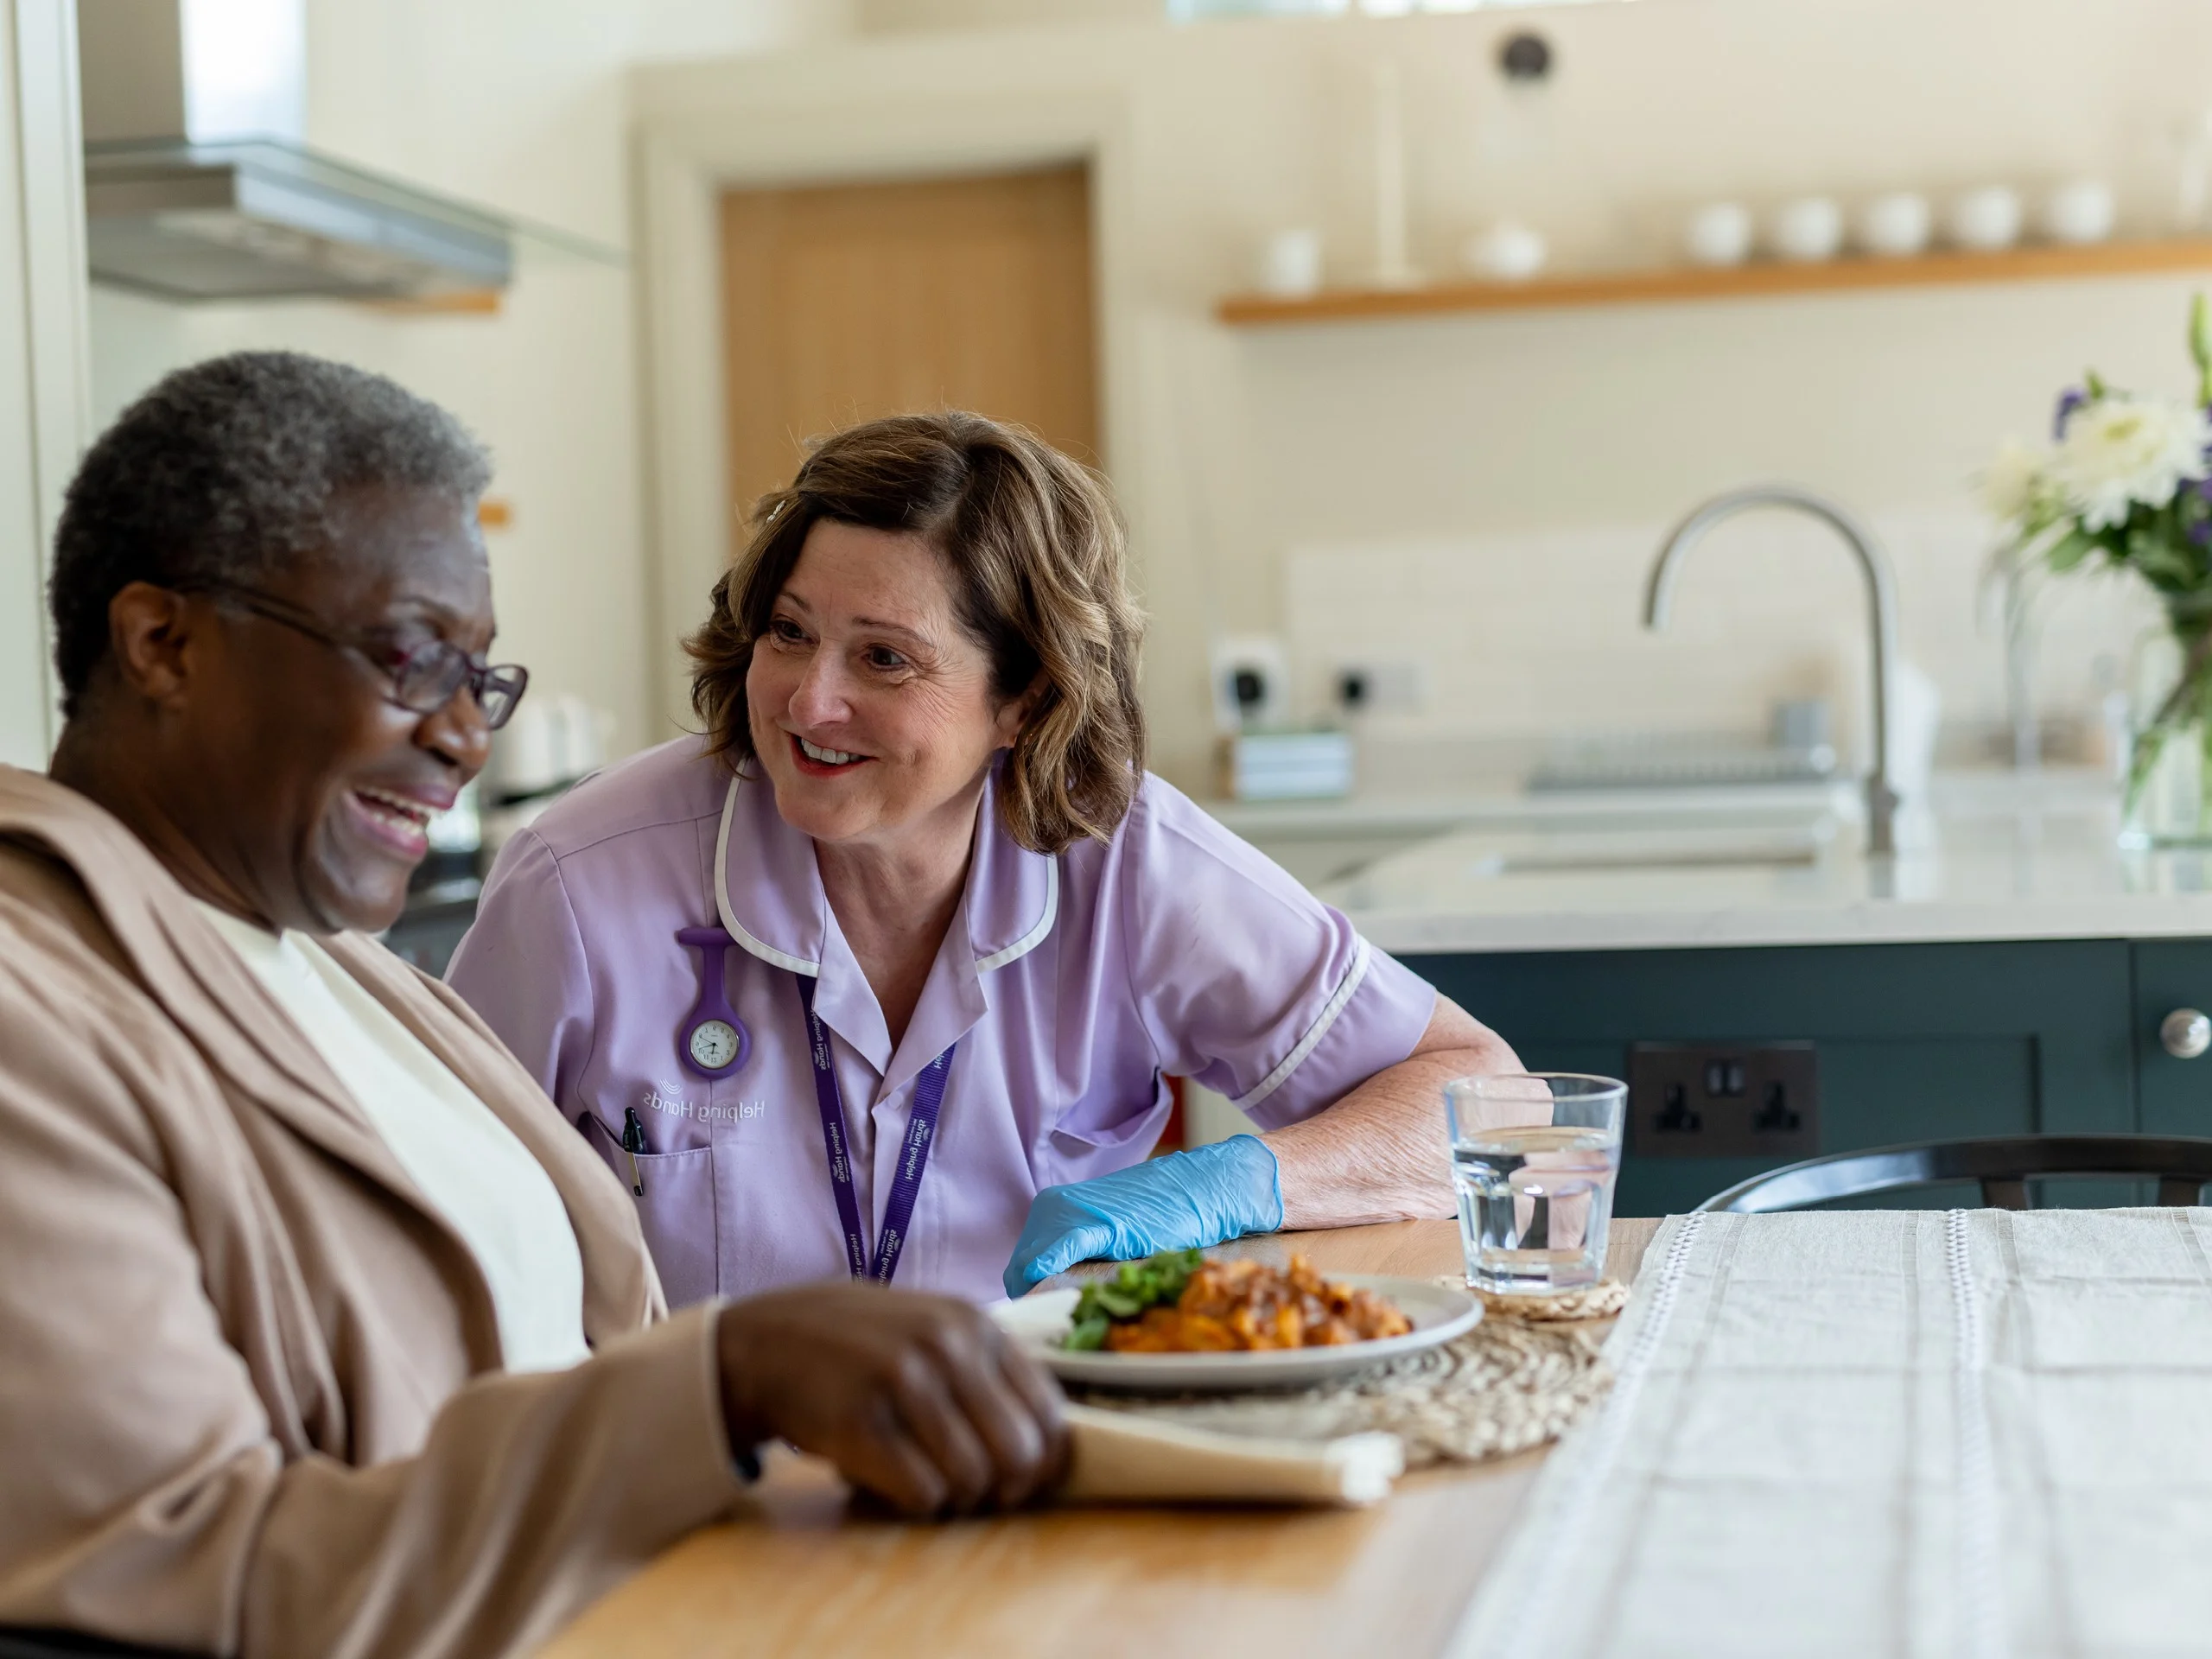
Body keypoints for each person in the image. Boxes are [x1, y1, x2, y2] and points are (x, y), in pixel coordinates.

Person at [0, 354, 1065, 1659]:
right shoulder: (31, 1015)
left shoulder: (331, 965)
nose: (462, 734)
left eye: (478, 676)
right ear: (162, 642)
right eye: (407, 656)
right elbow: (180, 1577)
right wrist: (719, 1388)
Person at [447, 410, 1522, 1308]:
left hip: (1049, 1459)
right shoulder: (578, 883)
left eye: (883, 658)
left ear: (1028, 698)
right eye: (788, 631)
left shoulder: (1129, 865)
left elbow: (1485, 1103)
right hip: (698, 1491)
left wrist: (1231, 1183)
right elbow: (430, 1223)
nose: (809, 702)